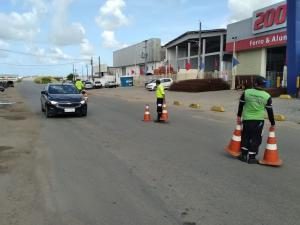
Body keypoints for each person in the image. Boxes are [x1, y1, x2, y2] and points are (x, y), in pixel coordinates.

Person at [237, 77, 275, 164]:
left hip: (246, 119)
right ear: (264, 85)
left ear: (255, 84)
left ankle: (243, 155)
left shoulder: (246, 92)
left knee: (245, 136)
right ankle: (252, 157)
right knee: (256, 138)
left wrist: (239, 116)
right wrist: (273, 123)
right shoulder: (267, 96)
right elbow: (270, 111)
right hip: (258, 121)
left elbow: (241, 105)